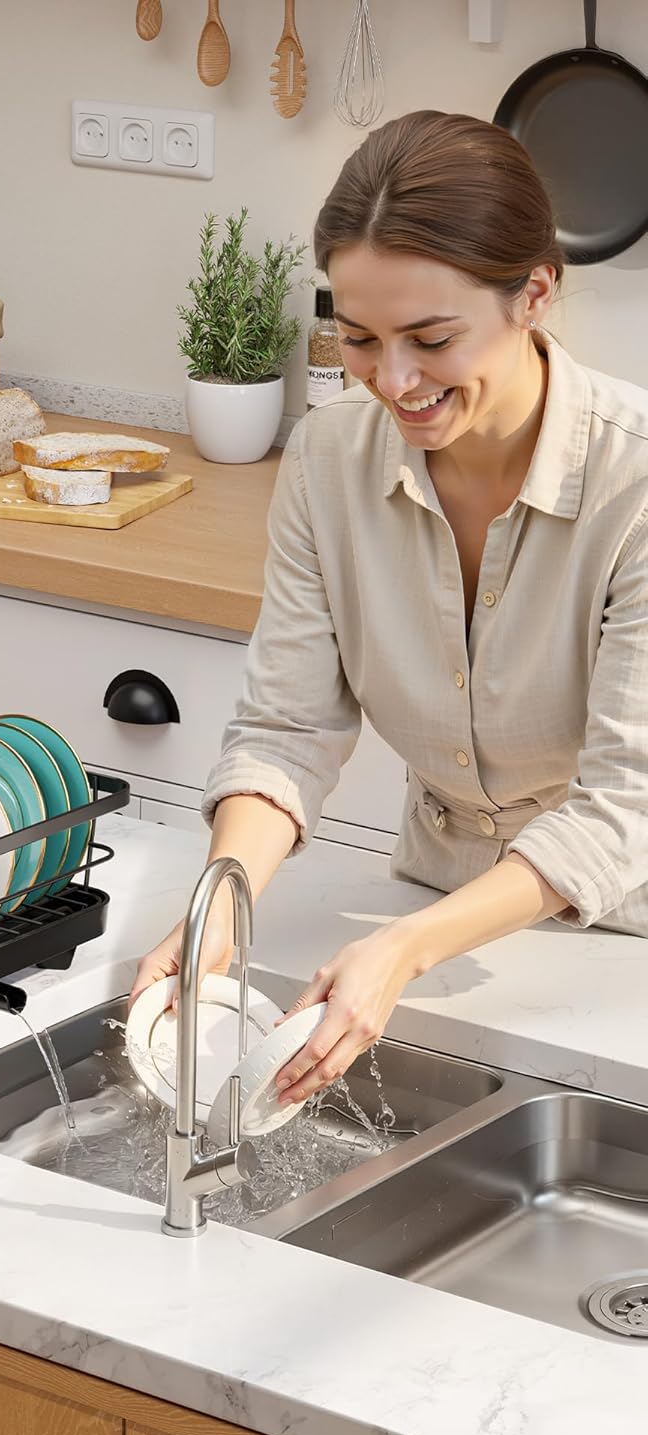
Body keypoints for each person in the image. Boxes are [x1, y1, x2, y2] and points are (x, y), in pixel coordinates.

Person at [133, 110, 648, 1110]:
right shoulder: (331, 459)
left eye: (432, 338)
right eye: (359, 338)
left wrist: (404, 948)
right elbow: (286, 731)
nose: (395, 382)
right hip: (439, 904)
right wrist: (221, 905)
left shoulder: (637, 484)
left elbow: (627, 807)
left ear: (534, 291)